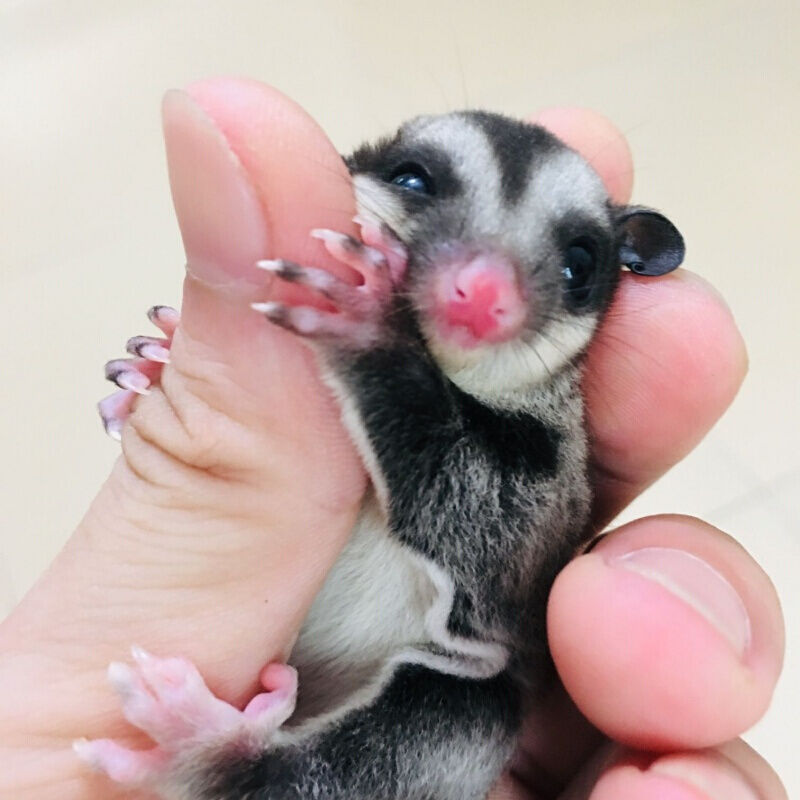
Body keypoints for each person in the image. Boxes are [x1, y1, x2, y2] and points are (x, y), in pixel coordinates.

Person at [0, 79, 785, 800]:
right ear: (353, 176)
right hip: (237, 666)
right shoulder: (333, 297)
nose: (488, 279)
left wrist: (383, 361)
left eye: (574, 265)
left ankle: (240, 777)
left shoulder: (539, 436)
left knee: (467, 712)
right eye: (418, 185)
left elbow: (472, 554)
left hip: (376, 729)